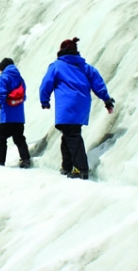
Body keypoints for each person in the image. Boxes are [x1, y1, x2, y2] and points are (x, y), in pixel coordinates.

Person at [39, 38, 114, 179]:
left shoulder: (57, 66)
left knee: (72, 136)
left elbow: (46, 84)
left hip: (66, 106)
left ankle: (80, 169)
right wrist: (107, 100)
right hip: (82, 106)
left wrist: (45, 100)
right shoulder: (85, 67)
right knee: (69, 134)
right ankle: (66, 166)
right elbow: (98, 83)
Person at [0, 58, 31, 168]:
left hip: (7, 116)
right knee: (19, 138)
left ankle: (0, 162)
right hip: (19, 116)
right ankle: (26, 159)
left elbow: (1, 94)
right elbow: (23, 96)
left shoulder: (3, 78)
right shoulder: (20, 79)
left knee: (1, 139)